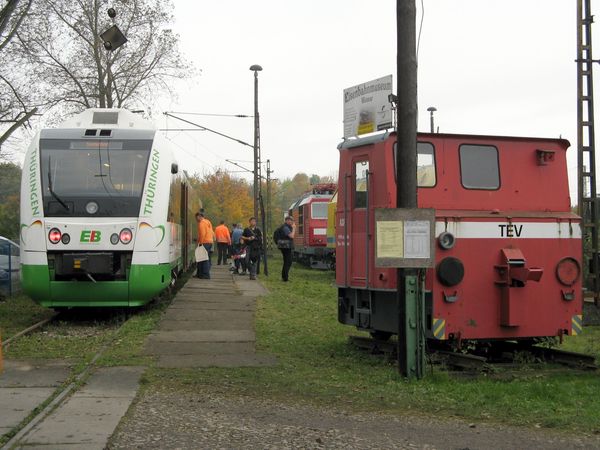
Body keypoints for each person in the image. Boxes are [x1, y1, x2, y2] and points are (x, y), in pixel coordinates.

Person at [196, 211, 214, 279]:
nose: (196, 219)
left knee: (203, 259)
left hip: (205, 242)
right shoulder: (208, 221)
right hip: (209, 241)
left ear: (199, 216)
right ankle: (200, 274)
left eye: (196, 218)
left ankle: (206, 275)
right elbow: (211, 231)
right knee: (203, 258)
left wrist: (200, 243)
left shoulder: (201, 223)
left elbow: (202, 234)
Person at [278, 216, 296, 282]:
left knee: (287, 262)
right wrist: (294, 228)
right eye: (290, 220)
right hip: (286, 247)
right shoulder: (285, 227)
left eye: (292, 220)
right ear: (287, 221)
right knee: (288, 262)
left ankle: (284, 277)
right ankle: (285, 278)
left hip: (285, 246)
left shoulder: (285, 227)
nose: (291, 222)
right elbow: (291, 236)